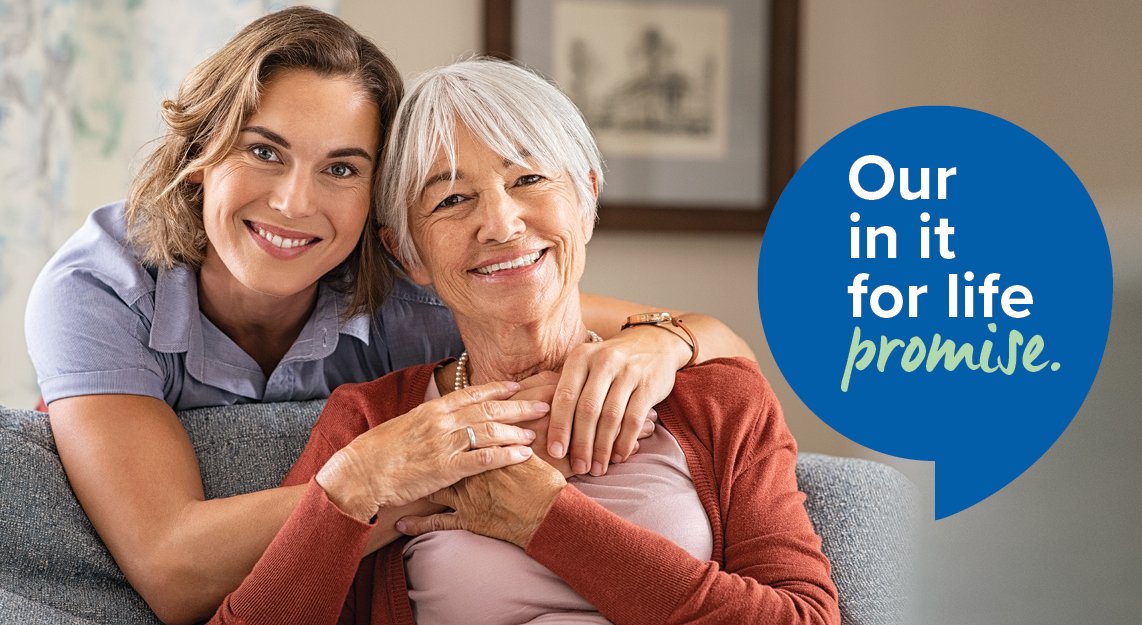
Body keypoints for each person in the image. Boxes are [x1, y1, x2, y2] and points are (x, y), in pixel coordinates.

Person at [22, 9, 755, 625]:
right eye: (263, 151)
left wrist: (665, 342)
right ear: (199, 154)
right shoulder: (98, 289)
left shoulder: (417, 292)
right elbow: (172, 568)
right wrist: (375, 474)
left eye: (341, 168)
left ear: (383, 214)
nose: (292, 203)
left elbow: (706, 344)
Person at [206, 58, 839, 625]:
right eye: (452, 199)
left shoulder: (716, 396)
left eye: (529, 180)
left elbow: (806, 618)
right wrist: (349, 490)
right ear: (408, 252)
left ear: (586, 197)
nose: (501, 224)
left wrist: (545, 519)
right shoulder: (373, 423)